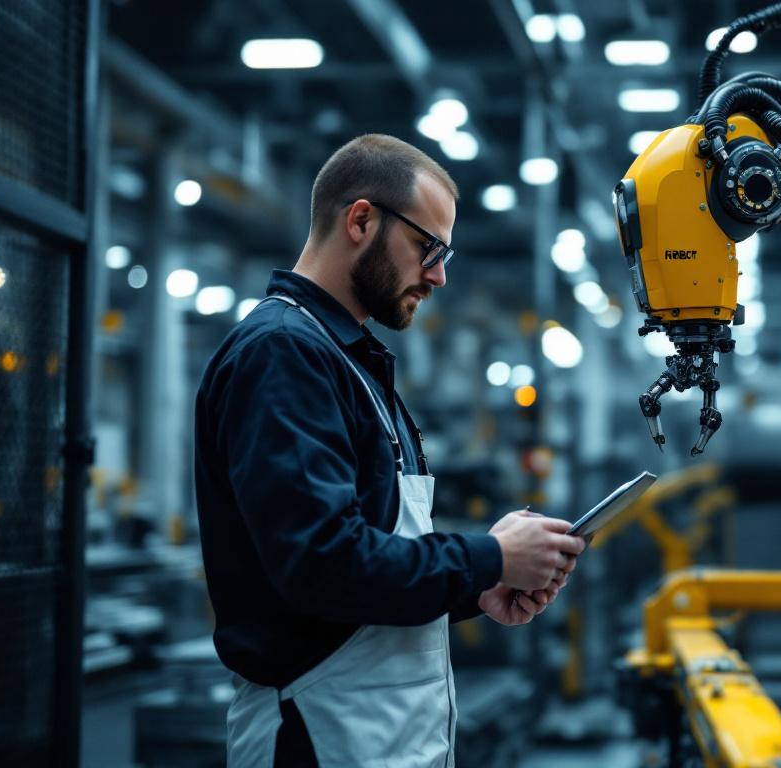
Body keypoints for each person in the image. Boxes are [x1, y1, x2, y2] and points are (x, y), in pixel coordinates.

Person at [193, 134, 586, 767]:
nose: (439, 274)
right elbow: (321, 563)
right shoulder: (284, 353)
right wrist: (486, 556)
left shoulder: (346, 361)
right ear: (361, 220)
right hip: (318, 735)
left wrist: (480, 586)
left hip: (374, 736)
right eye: (427, 248)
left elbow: (370, 564)